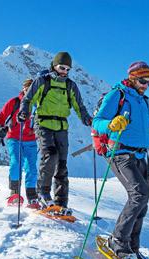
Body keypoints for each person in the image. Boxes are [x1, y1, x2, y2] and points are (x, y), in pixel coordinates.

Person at [92, 61, 149, 259]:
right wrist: (112, 124)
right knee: (139, 195)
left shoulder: (144, 102)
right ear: (133, 77)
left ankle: (132, 248)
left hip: (141, 156)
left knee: (142, 203)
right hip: (120, 153)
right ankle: (117, 241)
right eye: (143, 80)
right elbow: (97, 122)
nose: (146, 85)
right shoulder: (118, 94)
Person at [18, 51, 92, 212]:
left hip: (61, 126)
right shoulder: (42, 81)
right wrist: (24, 112)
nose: (64, 71)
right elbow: (28, 99)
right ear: (54, 66)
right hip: (43, 123)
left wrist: (87, 118)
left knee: (62, 164)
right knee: (50, 155)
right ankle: (42, 194)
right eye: (61, 67)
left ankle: (61, 202)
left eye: (67, 69)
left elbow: (79, 105)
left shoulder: (70, 85)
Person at [0, 79, 39, 208]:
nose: (29, 92)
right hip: (15, 137)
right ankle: (14, 192)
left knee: (31, 168)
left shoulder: (38, 105)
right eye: (27, 89)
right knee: (16, 162)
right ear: (24, 89)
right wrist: (0, 128)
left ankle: (31, 196)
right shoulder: (15, 102)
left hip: (31, 140)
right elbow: (1, 116)